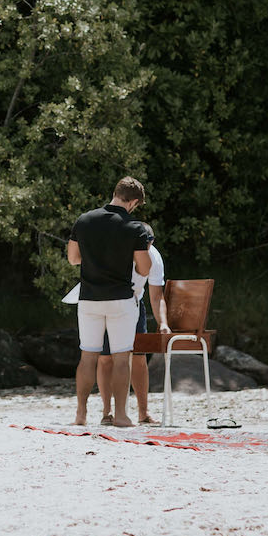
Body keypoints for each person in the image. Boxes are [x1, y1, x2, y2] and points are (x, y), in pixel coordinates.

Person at [67, 177, 152, 427]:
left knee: (88, 356)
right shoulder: (134, 227)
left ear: (115, 193)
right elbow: (144, 269)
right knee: (121, 357)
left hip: (90, 298)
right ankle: (122, 415)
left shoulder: (84, 220)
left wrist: (96, 259)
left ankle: (81, 414)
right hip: (120, 300)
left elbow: (73, 259)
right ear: (134, 202)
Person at [97, 226, 171, 425]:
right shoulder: (114, 251)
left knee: (139, 357)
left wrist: (162, 323)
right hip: (106, 303)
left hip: (135, 303)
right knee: (105, 358)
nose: (146, 246)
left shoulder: (154, 257)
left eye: (149, 242)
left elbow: (156, 296)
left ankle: (143, 413)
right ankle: (107, 412)